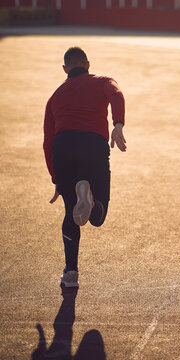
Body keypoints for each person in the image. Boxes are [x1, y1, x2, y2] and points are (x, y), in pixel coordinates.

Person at [43, 47, 127, 288]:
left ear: (65, 69)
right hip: (93, 145)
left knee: (71, 211)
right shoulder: (102, 81)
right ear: (88, 65)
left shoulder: (55, 97)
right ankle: (92, 201)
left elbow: (47, 141)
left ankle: (70, 274)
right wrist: (118, 124)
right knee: (98, 217)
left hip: (63, 147)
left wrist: (55, 178)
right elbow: (117, 94)